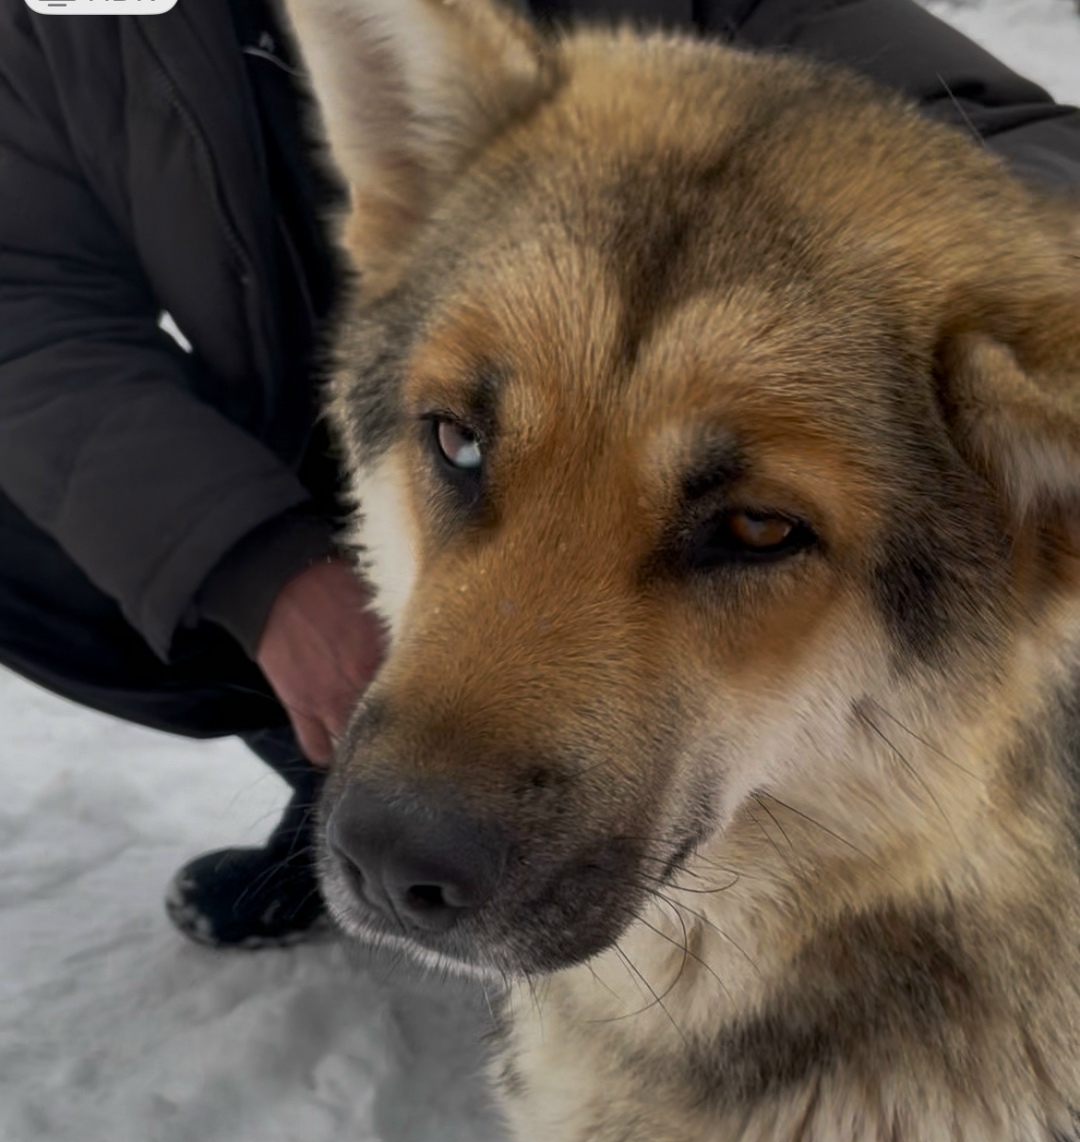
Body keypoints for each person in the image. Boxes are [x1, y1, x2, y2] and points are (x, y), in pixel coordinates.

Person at [1, 0, 1079, 950]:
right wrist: (254, 564)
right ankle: (329, 766)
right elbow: (24, 297)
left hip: (648, 395)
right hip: (351, 441)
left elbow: (1014, 140)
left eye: (747, 530)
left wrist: (868, 295)